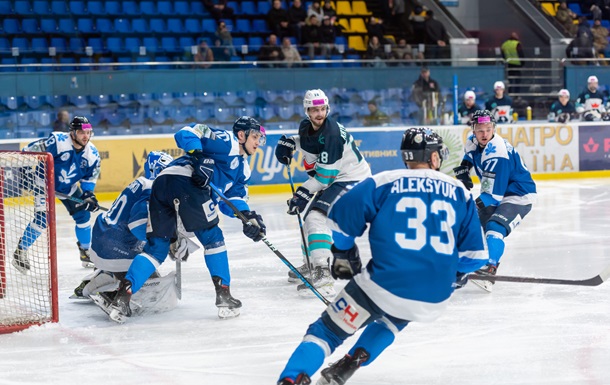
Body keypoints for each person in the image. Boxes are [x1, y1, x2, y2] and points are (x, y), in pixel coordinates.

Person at [276, 127, 488, 385]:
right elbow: (475, 257)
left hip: (382, 284)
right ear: (433, 157)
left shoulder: (384, 181)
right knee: (396, 314)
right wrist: (454, 275)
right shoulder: (461, 192)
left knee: (327, 331)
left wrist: (344, 252)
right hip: (433, 296)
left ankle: (290, 379)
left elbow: (340, 218)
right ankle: (350, 363)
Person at [103, 117, 268, 323]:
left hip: (162, 185)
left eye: (259, 138)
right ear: (241, 135)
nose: (257, 142)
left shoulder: (242, 170)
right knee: (213, 238)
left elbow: (232, 200)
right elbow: (187, 132)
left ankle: (122, 297)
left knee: (157, 249)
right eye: (254, 136)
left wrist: (246, 217)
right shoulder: (227, 141)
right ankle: (224, 295)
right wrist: (198, 156)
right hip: (185, 181)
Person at [274, 89, 371, 297]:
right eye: (314, 109)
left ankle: (323, 273)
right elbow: (309, 142)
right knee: (310, 218)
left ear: (328, 108)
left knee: (317, 219)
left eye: (322, 109)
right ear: (307, 111)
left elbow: (324, 178)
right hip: (338, 178)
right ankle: (312, 264)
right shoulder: (306, 127)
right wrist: (290, 142)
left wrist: (302, 193)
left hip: (353, 180)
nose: (319, 113)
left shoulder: (332, 134)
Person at [72, 151, 174, 302]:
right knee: (150, 291)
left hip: (103, 237)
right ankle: (99, 289)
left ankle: (104, 274)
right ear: (156, 170)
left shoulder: (142, 183)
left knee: (148, 275)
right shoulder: (152, 189)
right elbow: (137, 227)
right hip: (116, 246)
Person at [453, 109, 537, 292]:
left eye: (488, 129)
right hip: (499, 189)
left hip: (518, 194)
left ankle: (490, 269)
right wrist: (464, 169)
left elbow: (492, 197)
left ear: (494, 129)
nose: (484, 134)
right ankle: (462, 266)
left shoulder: (497, 154)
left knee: (495, 227)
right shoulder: (472, 140)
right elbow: (468, 157)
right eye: (480, 130)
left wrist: (470, 208)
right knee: (469, 226)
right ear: (473, 130)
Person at [13, 116, 101, 273]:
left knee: (83, 216)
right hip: (44, 183)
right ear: (72, 132)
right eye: (81, 132)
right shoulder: (58, 141)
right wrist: (27, 174)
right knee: (42, 219)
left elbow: (89, 178)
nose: (85, 136)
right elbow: (27, 151)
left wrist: (89, 195)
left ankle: (86, 252)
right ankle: (20, 251)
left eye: (88, 132)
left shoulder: (92, 154)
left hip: (68, 187)